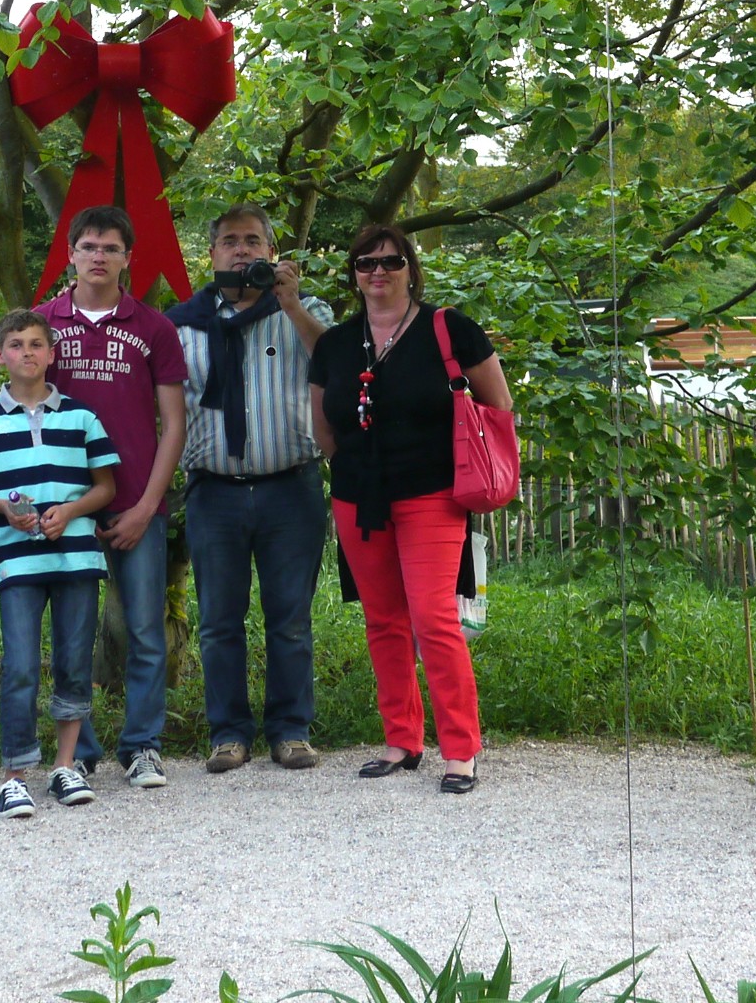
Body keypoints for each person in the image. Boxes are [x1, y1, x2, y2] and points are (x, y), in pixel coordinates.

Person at [307, 225, 511, 795]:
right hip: (359, 497)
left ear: (410, 269)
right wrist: (357, 468)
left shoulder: (450, 328)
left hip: (432, 494)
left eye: (390, 262)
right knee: (383, 620)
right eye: (365, 263)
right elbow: (324, 427)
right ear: (353, 274)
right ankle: (402, 740)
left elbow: (497, 403)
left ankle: (461, 749)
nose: (378, 272)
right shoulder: (335, 344)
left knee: (433, 618)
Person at [165, 205, 334, 773]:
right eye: (231, 241)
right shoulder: (181, 326)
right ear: (212, 254)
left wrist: (290, 304)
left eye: (254, 241)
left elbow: (333, 364)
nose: (242, 250)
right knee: (219, 621)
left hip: (292, 488)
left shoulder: (306, 310)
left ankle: (291, 730)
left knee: (291, 619)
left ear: (271, 251)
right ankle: (229, 734)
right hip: (213, 493)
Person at [40, 205, 189, 789]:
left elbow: (173, 425)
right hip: (63, 503)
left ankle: (143, 746)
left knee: (145, 630)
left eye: (110, 248)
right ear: (71, 254)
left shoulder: (154, 328)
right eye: (88, 246)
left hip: (136, 501)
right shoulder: (43, 323)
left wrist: (148, 506)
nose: (98, 256)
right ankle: (79, 749)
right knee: (71, 633)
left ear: (128, 258)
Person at [0, 308, 120, 816]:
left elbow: (106, 486)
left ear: (52, 353)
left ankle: (65, 766)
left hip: (76, 557)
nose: (26, 353)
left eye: (35, 344)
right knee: (21, 666)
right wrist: (2, 508)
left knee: (74, 660)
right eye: (16, 345)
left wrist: (69, 511)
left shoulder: (81, 416)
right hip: (18, 561)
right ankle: (15, 774)